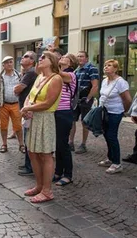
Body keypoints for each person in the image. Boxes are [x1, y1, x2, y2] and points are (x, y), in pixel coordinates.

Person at [21, 51, 63, 203]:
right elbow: (29, 96)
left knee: (46, 155)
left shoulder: (56, 78)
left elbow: (48, 103)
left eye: (43, 57)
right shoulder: (39, 76)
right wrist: (26, 107)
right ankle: (39, 186)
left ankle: (47, 190)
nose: (40, 59)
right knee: (32, 152)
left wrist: (28, 109)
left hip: (45, 119)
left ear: (51, 61)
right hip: (33, 118)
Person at [97, 59, 131, 174]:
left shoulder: (120, 82)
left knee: (111, 135)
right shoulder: (104, 80)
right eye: (105, 65)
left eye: (109, 65)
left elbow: (127, 99)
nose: (106, 67)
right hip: (105, 111)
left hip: (115, 112)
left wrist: (124, 111)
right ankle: (110, 158)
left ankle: (117, 163)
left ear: (116, 69)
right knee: (106, 134)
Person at [53, 54, 78, 186]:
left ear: (71, 63)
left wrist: (51, 60)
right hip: (56, 112)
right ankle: (58, 171)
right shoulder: (58, 74)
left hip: (64, 113)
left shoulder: (71, 75)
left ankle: (68, 174)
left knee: (63, 144)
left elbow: (59, 73)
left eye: (65, 57)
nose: (62, 58)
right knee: (57, 144)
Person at [69, 51, 99, 154]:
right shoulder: (76, 70)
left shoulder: (92, 68)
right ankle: (70, 142)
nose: (79, 58)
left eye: (81, 56)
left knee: (84, 122)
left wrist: (88, 98)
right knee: (72, 120)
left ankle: (83, 144)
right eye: (78, 57)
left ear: (86, 58)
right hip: (76, 99)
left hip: (85, 99)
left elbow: (95, 86)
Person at [14, 51, 38, 176]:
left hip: (28, 109)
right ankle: (28, 164)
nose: (22, 58)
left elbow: (18, 89)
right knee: (27, 137)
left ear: (32, 61)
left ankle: (30, 167)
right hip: (26, 108)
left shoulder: (30, 73)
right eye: (23, 56)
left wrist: (16, 89)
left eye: (26, 56)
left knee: (28, 138)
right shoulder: (26, 73)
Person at [0, 56, 24, 154]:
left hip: (16, 104)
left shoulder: (19, 75)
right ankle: (4, 144)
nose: (9, 64)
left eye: (11, 62)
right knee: (3, 126)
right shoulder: (0, 77)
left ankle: (21, 144)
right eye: (7, 63)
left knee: (18, 126)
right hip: (3, 104)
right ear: (3, 65)